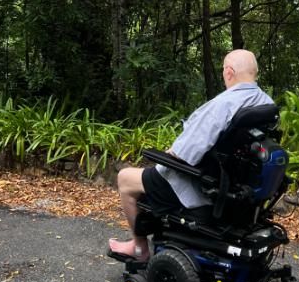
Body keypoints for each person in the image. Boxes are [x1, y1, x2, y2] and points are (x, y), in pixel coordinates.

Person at [108, 49, 274, 261]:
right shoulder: (266, 103)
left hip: (201, 185)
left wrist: (168, 154)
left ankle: (139, 248)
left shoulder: (225, 104)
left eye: (224, 71)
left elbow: (183, 155)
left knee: (125, 178)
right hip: (234, 188)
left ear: (229, 72)